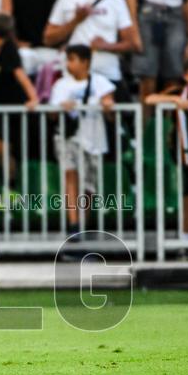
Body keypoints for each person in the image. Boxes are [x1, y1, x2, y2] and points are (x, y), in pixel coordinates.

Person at [145, 55, 188, 241]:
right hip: (181, 149)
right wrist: (175, 100)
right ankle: (186, 236)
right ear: (185, 76)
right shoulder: (178, 91)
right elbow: (150, 99)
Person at [49, 44, 116, 235]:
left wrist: (108, 105)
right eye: (67, 59)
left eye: (72, 59)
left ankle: (84, 225)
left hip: (93, 138)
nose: (68, 64)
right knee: (71, 176)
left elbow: (110, 110)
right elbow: (51, 115)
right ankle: (73, 224)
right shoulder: (61, 85)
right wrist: (62, 107)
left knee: (88, 185)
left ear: (85, 62)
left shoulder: (101, 82)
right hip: (69, 136)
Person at [45, 0, 135, 91]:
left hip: (108, 73)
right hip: (73, 75)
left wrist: (106, 46)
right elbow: (48, 38)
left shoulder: (117, 1)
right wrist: (76, 20)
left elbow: (131, 43)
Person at [0, 12, 39, 196]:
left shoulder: (9, 49)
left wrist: (33, 98)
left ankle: (11, 189)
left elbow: (20, 75)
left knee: (4, 148)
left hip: (9, 102)